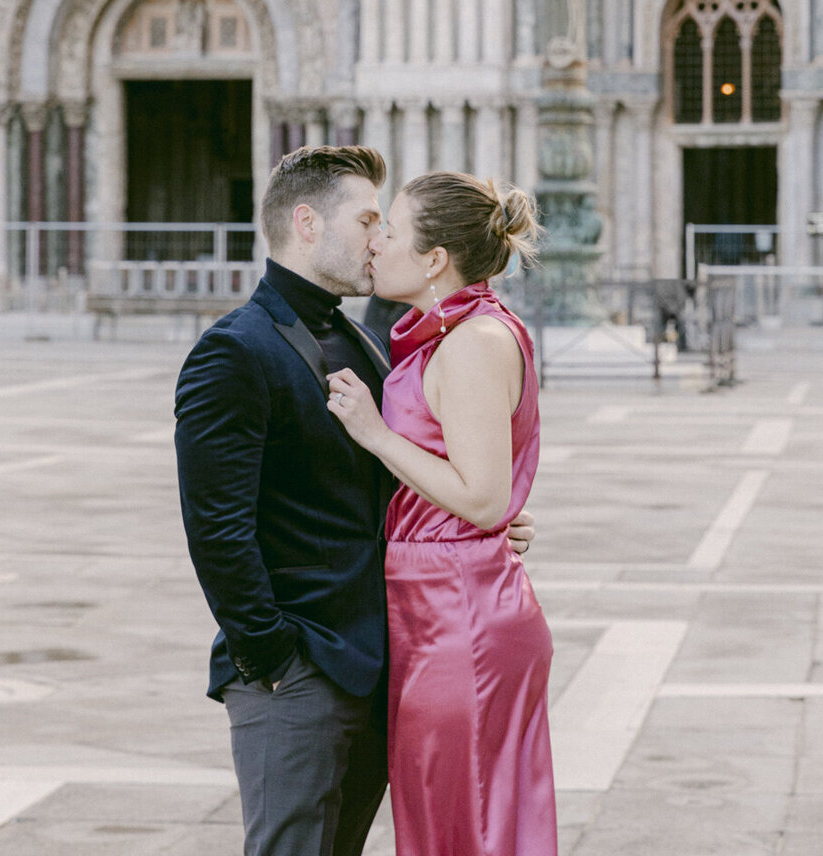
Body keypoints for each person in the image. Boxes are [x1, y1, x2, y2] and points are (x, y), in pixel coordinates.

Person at [174, 146, 534, 856]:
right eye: (368, 218)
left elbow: (388, 478)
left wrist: (471, 514)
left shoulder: (364, 341)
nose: (379, 237)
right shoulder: (234, 352)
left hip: (379, 663)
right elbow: (216, 529)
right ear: (306, 223)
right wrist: (271, 659)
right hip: (297, 673)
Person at [327, 172, 556, 856]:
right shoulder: (459, 333)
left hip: (461, 619)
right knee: (458, 821)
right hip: (449, 603)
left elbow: (483, 498)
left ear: (434, 260)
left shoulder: (472, 343)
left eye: (390, 231)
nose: (375, 244)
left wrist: (375, 434)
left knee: (464, 826)